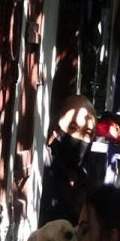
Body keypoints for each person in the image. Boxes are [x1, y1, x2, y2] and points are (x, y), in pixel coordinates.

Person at [39, 94, 98, 225]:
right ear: (56, 129)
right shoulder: (41, 169)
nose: (79, 136)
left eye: (87, 133)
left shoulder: (86, 182)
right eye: (73, 128)